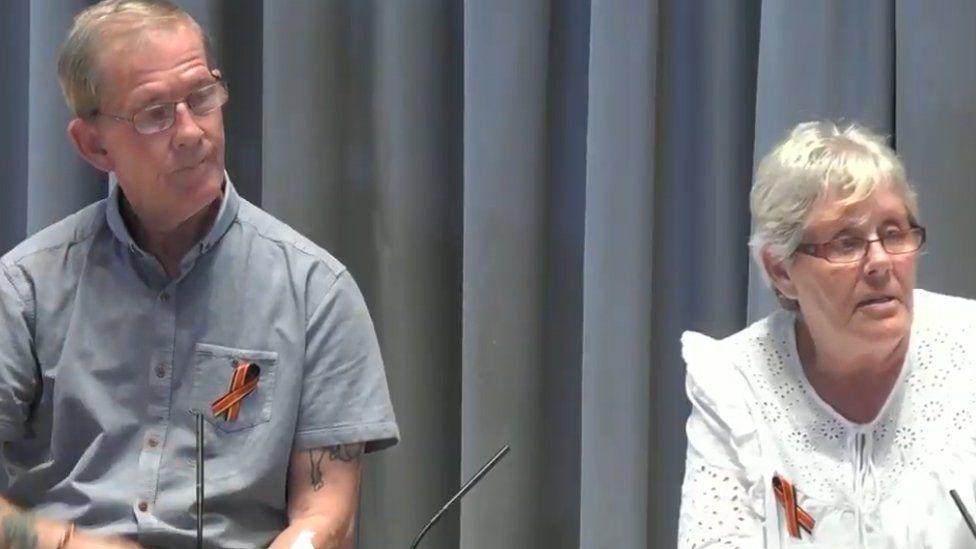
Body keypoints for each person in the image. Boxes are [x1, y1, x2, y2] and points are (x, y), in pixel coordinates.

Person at [0, 1, 399, 547]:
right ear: (94, 145)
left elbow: (326, 512)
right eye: (154, 113)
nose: (191, 132)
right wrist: (68, 544)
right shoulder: (25, 288)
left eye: (201, 97)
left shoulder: (315, 290)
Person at [677, 121, 976, 548]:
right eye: (845, 243)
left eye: (894, 233)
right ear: (782, 270)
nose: (880, 263)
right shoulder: (735, 383)